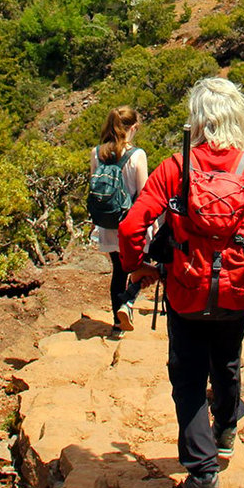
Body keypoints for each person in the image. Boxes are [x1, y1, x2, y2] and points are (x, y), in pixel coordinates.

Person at [118, 78, 244, 488]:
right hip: (238, 292)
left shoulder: (175, 167)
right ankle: (227, 429)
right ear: (240, 117)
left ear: (196, 119)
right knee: (228, 360)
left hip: (186, 289)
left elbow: (129, 229)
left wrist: (137, 266)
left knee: (188, 377)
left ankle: (202, 479)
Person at [90, 105, 149, 335]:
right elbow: (144, 193)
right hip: (130, 222)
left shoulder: (97, 153)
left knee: (118, 269)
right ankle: (128, 301)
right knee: (139, 265)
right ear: (133, 128)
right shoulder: (137, 155)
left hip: (106, 222)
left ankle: (117, 322)